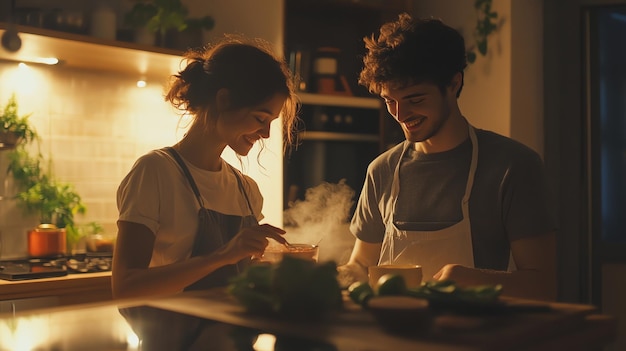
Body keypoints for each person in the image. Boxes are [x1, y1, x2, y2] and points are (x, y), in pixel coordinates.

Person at [339, 14, 557, 301]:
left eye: (415, 99)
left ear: (454, 85)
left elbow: (543, 287)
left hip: (474, 340)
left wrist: (472, 278)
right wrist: (319, 273)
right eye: (390, 101)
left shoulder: (513, 166)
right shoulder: (382, 170)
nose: (401, 116)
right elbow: (361, 266)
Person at [112, 35, 298, 299]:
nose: (266, 133)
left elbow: (238, 281)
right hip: (169, 339)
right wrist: (224, 254)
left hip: (235, 340)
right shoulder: (155, 172)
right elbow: (126, 287)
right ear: (223, 100)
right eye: (260, 118)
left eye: (271, 122)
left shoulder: (246, 189)